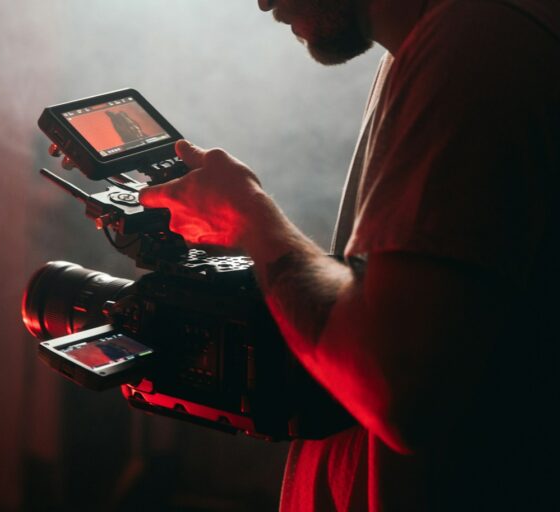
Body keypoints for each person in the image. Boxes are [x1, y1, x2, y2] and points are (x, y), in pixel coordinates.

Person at [139, 0, 560, 510]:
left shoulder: (474, 40)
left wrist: (250, 217)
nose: (263, 2)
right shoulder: (432, 45)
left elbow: (396, 387)